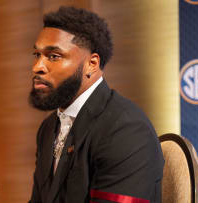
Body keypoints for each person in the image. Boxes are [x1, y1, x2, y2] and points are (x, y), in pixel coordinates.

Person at [28, 6, 164, 203]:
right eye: (36, 55)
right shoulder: (48, 128)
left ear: (91, 64)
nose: (37, 67)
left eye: (53, 56)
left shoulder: (125, 129)